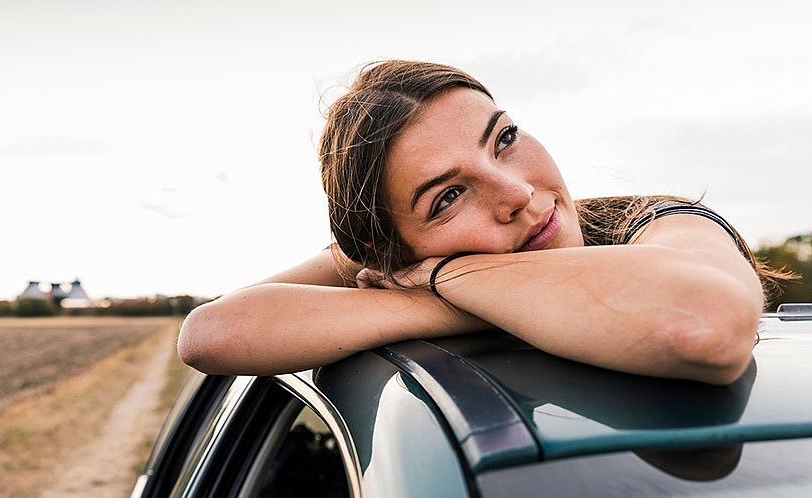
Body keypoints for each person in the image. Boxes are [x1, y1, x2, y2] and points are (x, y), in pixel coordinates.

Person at [177, 60, 788, 386]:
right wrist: (457, 290)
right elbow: (210, 334)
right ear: (394, 252)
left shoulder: (652, 220)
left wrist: (444, 283)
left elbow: (706, 325)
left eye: (504, 139)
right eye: (447, 197)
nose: (518, 193)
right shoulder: (392, 261)